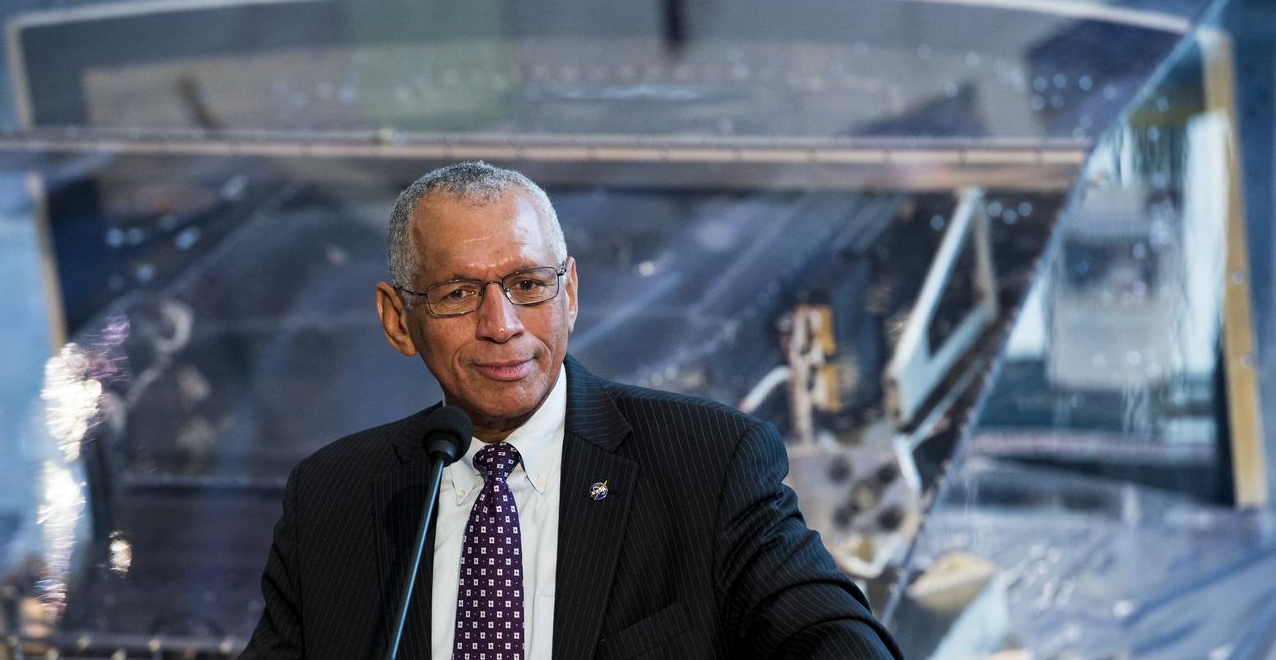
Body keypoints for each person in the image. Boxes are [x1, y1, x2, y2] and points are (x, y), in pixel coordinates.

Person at [242, 161, 902, 659]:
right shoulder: (332, 498)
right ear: (397, 319)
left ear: (571, 293)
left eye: (528, 285)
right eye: (457, 293)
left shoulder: (708, 464)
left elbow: (835, 641)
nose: (501, 325)